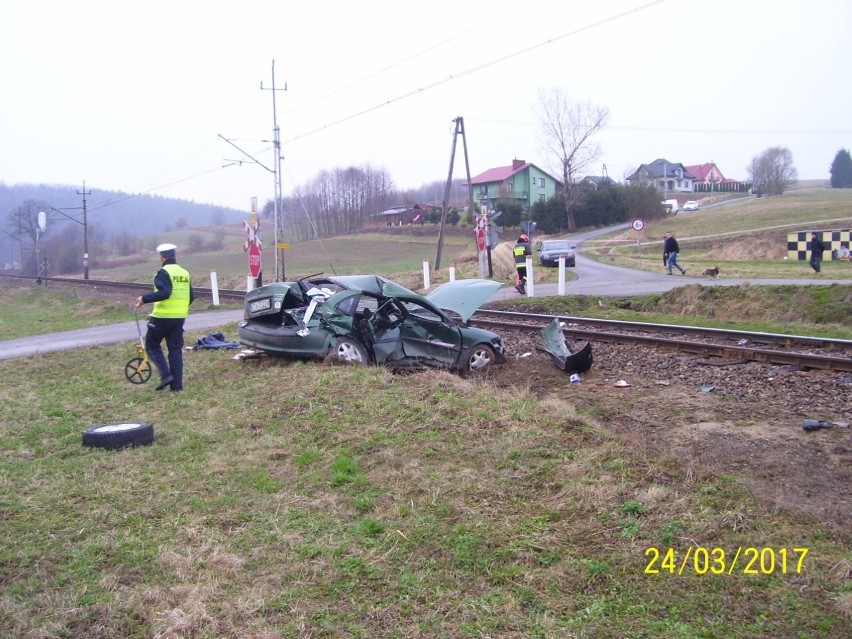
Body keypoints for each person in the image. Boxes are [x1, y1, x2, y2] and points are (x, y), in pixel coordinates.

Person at [135, 243, 194, 391]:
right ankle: (177, 387)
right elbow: (191, 296)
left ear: (161, 257)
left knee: (151, 345)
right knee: (175, 350)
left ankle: (166, 375)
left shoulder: (163, 272)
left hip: (162, 317)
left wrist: (144, 299)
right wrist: (179, 308)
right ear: (175, 255)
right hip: (179, 317)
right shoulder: (184, 273)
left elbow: (164, 293)